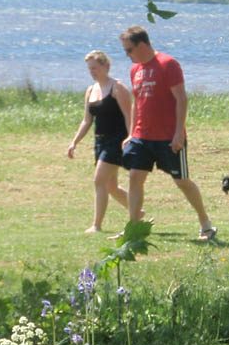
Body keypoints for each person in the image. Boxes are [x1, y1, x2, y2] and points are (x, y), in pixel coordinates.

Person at [119, 25, 217, 241]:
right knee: (135, 177)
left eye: (129, 50)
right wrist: (131, 133)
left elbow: (181, 99)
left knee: (181, 180)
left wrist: (178, 133)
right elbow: (137, 102)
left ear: (142, 44)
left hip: (168, 138)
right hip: (142, 136)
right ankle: (134, 229)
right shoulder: (135, 69)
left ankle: (206, 224)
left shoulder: (168, 64)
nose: (127, 55)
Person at [67, 50, 134, 233]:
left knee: (99, 181)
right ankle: (137, 211)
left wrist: (131, 138)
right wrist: (74, 142)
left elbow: (130, 117)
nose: (92, 72)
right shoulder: (90, 90)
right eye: (90, 69)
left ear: (106, 66)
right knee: (111, 186)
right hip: (100, 142)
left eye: (95, 68)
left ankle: (96, 225)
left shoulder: (117, 88)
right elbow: (87, 120)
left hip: (117, 141)